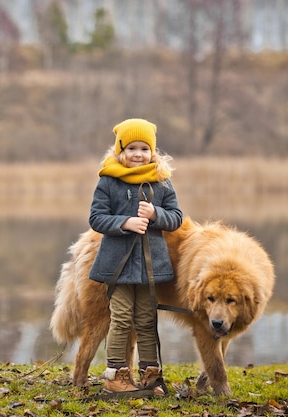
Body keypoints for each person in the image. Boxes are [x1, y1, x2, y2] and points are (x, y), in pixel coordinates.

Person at [88, 118, 183, 394]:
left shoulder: (162, 182)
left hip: (149, 267)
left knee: (146, 319)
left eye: (144, 148)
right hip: (117, 266)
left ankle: (150, 375)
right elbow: (96, 218)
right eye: (131, 148)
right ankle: (116, 376)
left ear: (152, 151)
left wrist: (156, 214)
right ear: (120, 150)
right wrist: (125, 223)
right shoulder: (108, 180)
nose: (138, 154)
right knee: (120, 317)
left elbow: (176, 218)